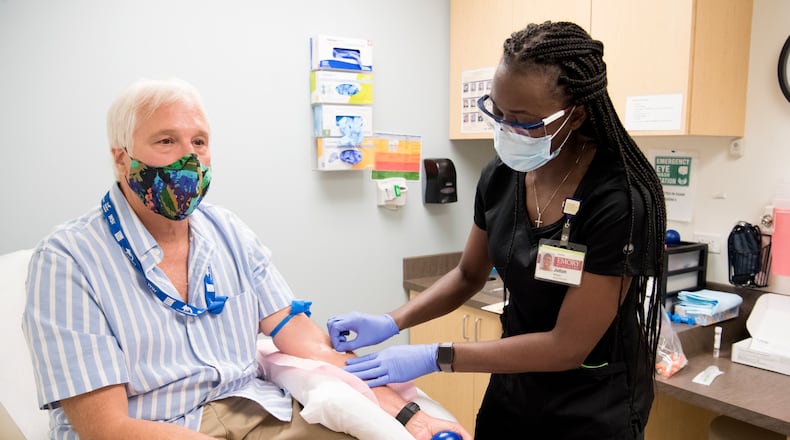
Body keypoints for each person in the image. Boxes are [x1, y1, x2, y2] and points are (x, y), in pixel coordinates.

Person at [22, 78, 469, 440]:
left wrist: (408, 415)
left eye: (199, 142)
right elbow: (106, 429)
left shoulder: (228, 233)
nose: (189, 159)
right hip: (154, 427)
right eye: (166, 141)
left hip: (255, 408)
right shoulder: (68, 260)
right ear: (122, 159)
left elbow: (307, 345)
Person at [327, 21, 666, 439]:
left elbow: (566, 346)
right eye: (498, 112)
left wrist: (437, 356)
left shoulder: (620, 200)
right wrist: (390, 321)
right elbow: (468, 274)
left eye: (523, 120)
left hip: (591, 399)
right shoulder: (502, 176)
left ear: (575, 115)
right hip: (515, 382)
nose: (506, 129)